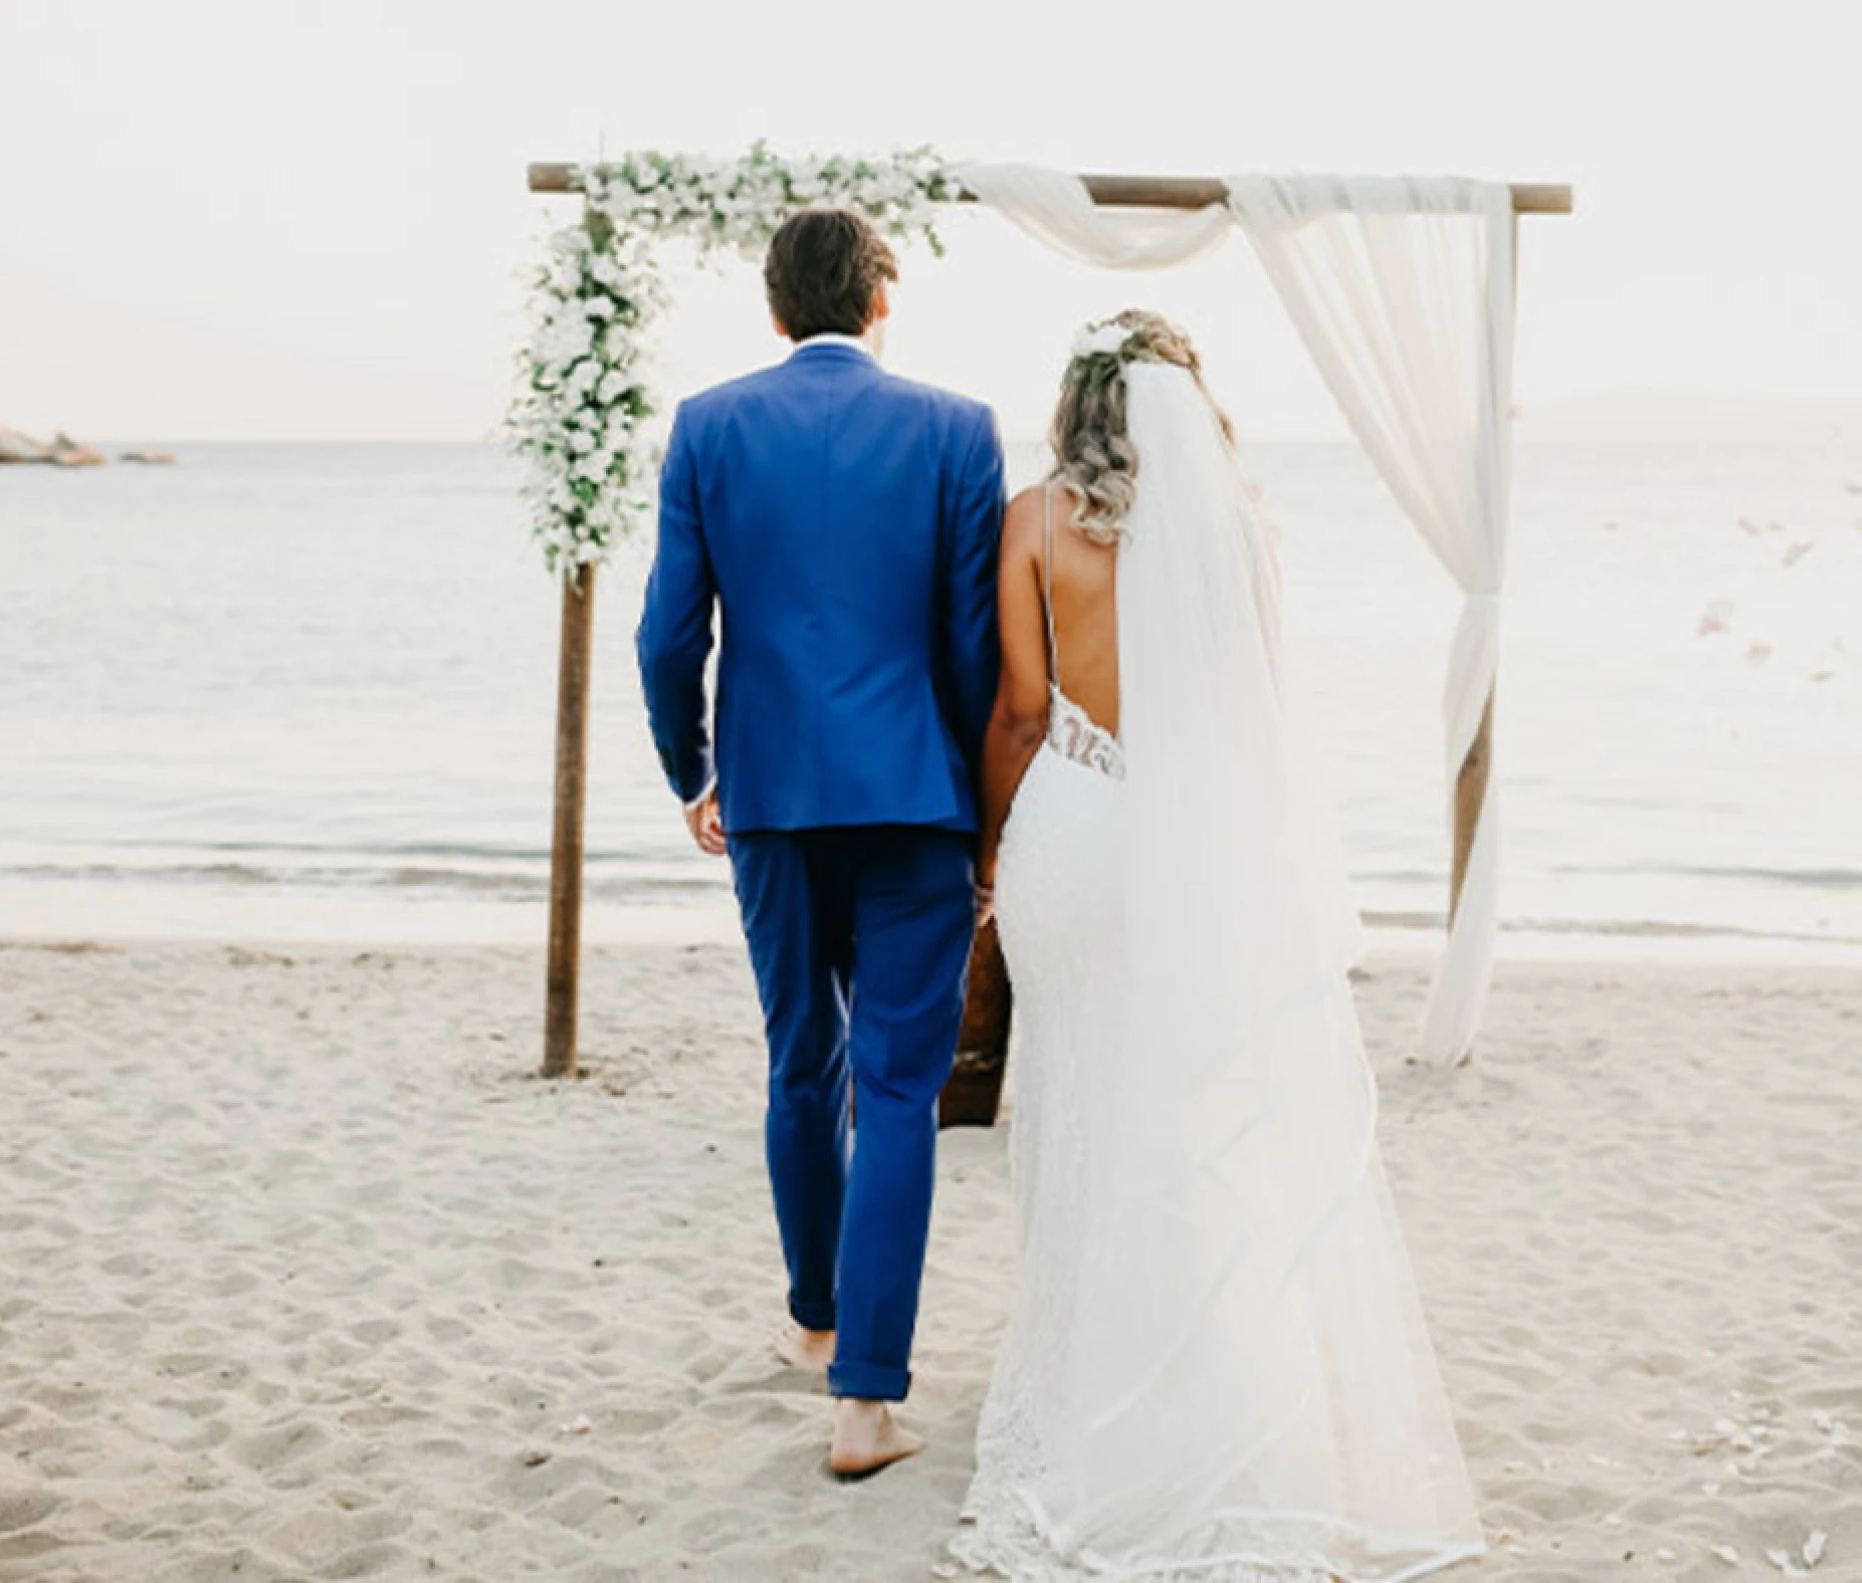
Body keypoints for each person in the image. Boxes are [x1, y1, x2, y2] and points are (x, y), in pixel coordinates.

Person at [952, 311, 1484, 1578]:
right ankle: (1200, 1369)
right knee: (1189, 1113)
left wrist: (983, 857)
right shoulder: (1238, 529)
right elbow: (1254, 716)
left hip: (1074, 836)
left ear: (1075, 400)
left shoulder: (1030, 522)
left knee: (1075, 1103)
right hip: (1195, 843)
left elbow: (1023, 712)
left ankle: (1086, 1363)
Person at [635, 208, 1004, 1478]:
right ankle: (865, 1404)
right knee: (898, 1091)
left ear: (776, 310)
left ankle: (814, 1319)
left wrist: (694, 768)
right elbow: (969, 641)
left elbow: (666, 637)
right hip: (917, 799)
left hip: (774, 800)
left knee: (802, 1063)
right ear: (881, 299)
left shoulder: (709, 425)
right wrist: (975, 797)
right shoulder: (957, 429)